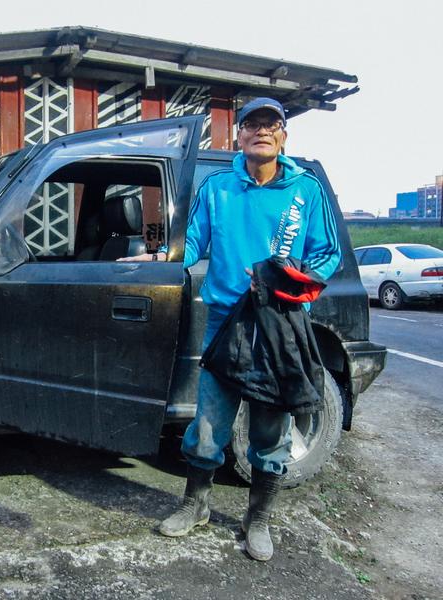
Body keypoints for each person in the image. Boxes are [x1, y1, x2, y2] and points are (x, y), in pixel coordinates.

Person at [125, 97, 341, 561]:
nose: (262, 131)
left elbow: (328, 256)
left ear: (283, 135)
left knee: (270, 432)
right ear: (238, 136)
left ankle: (257, 519)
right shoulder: (218, 187)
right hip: (225, 325)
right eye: (252, 124)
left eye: (272, 124)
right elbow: (192, 244)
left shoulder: (306, 189)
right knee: (207, 425)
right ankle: (195, 505)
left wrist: (290, 282)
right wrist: (158, 258)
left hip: (280, 326)